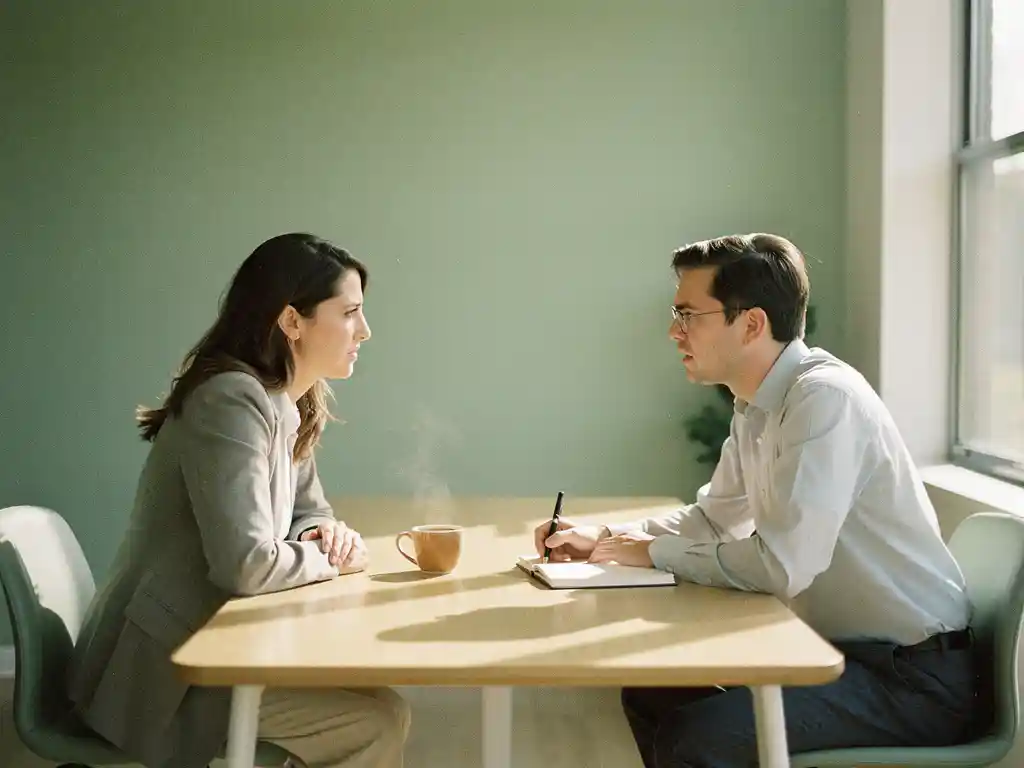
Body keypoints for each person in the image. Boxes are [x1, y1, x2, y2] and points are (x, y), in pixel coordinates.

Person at [534, 233, 983, 767]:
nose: (673, 331)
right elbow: (713, 518)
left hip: (912, 681)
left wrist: (651, 553)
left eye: (687, 314)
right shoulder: (756, 406)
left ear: (751, 323)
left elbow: (783, 566)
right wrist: (604, 541)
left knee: (701, 737)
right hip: (840, 655)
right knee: (650, 693)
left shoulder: (824, 401)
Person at [68, 233, 410, 768]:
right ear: (292, 321)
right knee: (376, 722)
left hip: (222, 645)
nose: (364, 331)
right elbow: (246, 564)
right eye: (349, 313)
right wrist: (334, 560)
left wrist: (322, 535)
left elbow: (306, 509)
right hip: (170, 676)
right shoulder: (231, 400)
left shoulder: (285, 399)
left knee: (378, 701)